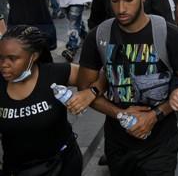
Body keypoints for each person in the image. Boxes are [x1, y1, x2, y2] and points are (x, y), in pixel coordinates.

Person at [77, 0, 178, 176]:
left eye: (128, 0)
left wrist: (155, 115)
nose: (121, 9)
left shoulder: (168, 33)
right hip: (118, 143)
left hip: (160, 142)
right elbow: (85, 89)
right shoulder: (99, 35)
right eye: (115, 1)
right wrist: (120, 114)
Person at [0, 25, 105, 175]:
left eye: (12, 58)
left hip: (63, 165)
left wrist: (91, 92)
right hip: (17, 170)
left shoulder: (56, 73)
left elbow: (103, 74)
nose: (4, 64)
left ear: (33, 56)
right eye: (1, 57)